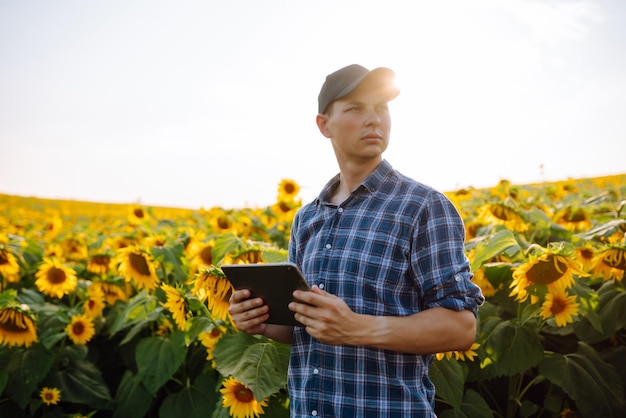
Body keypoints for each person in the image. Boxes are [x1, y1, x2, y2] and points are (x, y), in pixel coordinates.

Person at [228, 64, 485, 417]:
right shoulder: (307, 218)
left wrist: (358, 328)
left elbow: (461, 327)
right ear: (324, 124)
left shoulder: (423, 206)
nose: (374, 119)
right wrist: (258, 322)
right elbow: (305, 328)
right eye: (355, 109)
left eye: (381, 108)